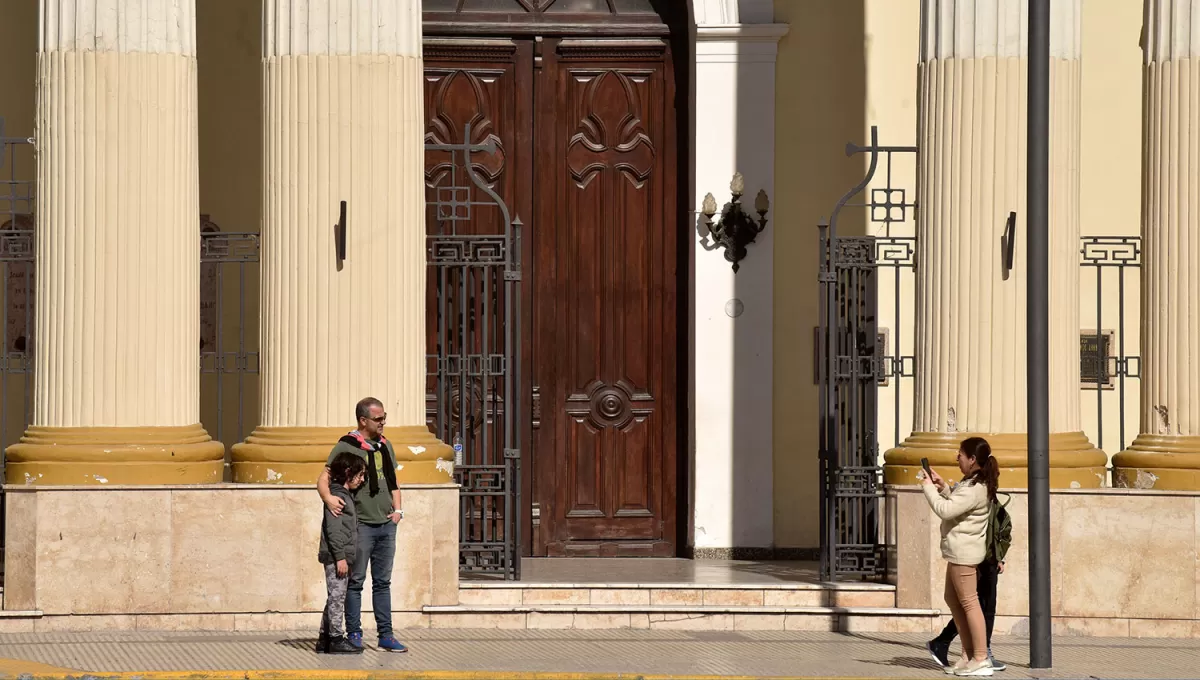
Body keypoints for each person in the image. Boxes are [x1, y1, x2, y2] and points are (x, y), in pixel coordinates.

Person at [318, 397, 408, 653]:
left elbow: (393, 480)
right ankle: (354, 633)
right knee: (355, 581)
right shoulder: (347, 446)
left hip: (386, 524)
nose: (383, 422)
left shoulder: (384, 446)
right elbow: (323, 477)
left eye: (384, 417)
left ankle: (386, 634)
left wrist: (398, 510)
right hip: (362, 526)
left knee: (383, 582)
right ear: (363, 420)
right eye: (378, 419)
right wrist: (328, 498)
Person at [920, 436, 1000, 677]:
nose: (957, 456)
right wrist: (942, 487)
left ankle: (980, 657)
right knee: (953, 599)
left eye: (961, 454)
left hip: (964, 554)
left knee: (969, 603)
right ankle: (968, 655)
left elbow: (946, 509)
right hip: (958, 552)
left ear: (973, 459)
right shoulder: (972, 483)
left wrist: (926, 487)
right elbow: (957, 503)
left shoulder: (976, 487)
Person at [317, 451, 367, 654]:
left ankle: (325, 638)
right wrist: (340, 557)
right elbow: (334, 529)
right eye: (360, 474)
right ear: (348, 472)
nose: (362, 479)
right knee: (337, 598)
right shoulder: (337, 497)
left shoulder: (343, 495)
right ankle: (336, 639)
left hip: (341, 555)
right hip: (337, 556)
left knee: (335, 597)